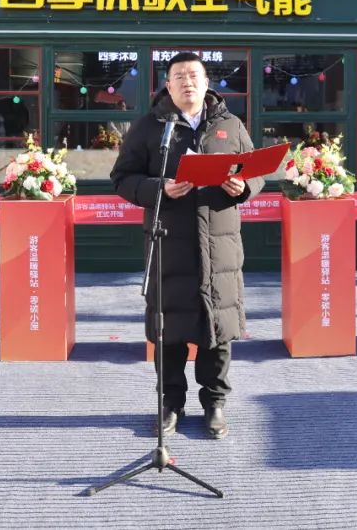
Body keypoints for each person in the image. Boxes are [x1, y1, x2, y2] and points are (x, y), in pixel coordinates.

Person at [111, 52, 264, 440]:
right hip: (169, 241)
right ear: (168, 84)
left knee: (219, 327)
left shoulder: (230, 123)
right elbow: (123, 177)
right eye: (179, 76)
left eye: (194, 75)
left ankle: (214, 404)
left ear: (206, 80)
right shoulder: (150, 127)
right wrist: (158, 188)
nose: (187, 82)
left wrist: (242, 186)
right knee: (170, 329)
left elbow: (257, 172)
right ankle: (170, 404)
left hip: (220, 244)